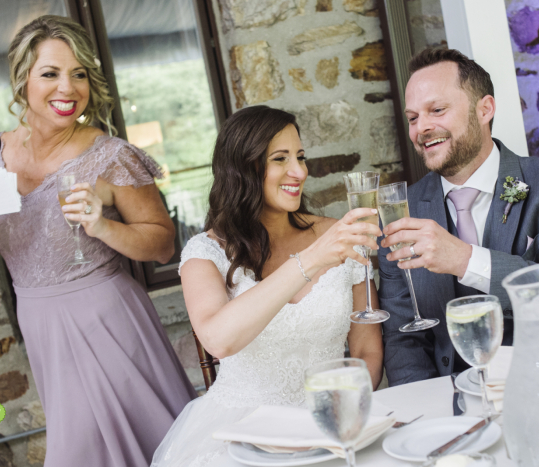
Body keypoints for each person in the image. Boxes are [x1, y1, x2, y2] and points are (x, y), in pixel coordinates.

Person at [0, 15, 196, 467]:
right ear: (23, 78)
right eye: (51, 73)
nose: (68, 87)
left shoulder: (110, 155)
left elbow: (162, 245)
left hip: (108, 321)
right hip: (42, 325)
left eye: (79, 74)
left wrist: (103, 226)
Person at [150, 105, 384, 466]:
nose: (299, 171)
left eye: (301, 157)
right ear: (243, 168)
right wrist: (311, 260)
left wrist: (338, 415)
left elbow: (367, 350)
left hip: (333, 424)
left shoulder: (337, 235)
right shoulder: (205, 252)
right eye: (281, 158)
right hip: (244, 435)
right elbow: (219, 339)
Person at [379, 47, 539, 386]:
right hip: (452, 407)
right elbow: (403, 339)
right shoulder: (402, 211)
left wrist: (465, 259)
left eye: (437, 110)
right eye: (413, 118)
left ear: (484, 109)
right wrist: (430, 414)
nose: (422, 128)